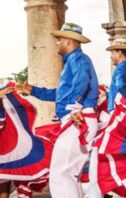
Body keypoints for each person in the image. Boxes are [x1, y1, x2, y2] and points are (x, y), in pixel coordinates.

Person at [16, 22, 99, 198]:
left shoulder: (78, 59)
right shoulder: (73, 62)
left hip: (77, 119)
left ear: (68, 41)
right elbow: (60, 94)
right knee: (68, 174)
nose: (56, 43)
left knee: (61, 173)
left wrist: (74, 106)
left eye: (59, 39)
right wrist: (32, 90)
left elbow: (82, 81)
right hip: (78, 119)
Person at [106, 38, 126, 113]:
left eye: (113, 53)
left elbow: (120, 88)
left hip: (119, 110)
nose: (111, 56)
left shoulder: (120, 69)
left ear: (120, 53)